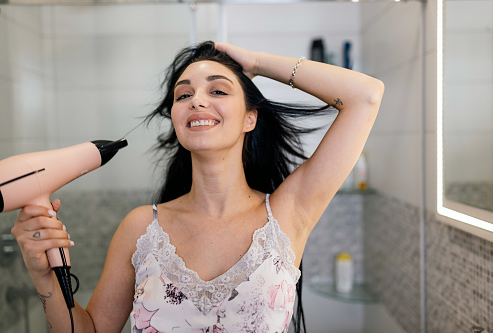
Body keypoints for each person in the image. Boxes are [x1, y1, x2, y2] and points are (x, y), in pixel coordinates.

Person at [11, 41, 384, 333]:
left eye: (218, 91)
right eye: (183, 95)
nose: (198, 100)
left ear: (249, 118)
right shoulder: (140, 229)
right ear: (175, 118)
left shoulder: (288, 213)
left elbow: (365, 96)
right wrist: (44, 275)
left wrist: (256, 63)